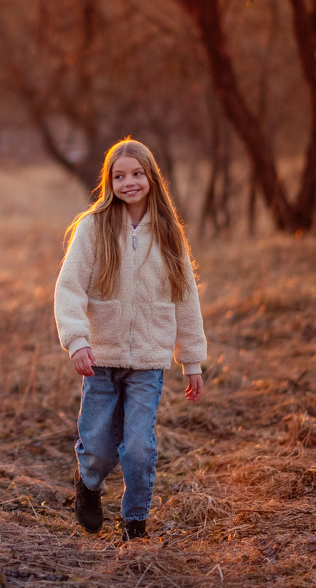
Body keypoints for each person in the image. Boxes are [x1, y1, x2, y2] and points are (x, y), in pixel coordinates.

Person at [53, 138, 207, 541]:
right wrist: (77, 340)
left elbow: (185, 298)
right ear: (109, 182)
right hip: (100, 358)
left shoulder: (169, 233)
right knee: (99, 449)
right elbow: (69, 288)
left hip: (148, 364)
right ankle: (88, 484)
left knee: (138, 449)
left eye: (137, 173)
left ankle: (135, 523)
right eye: (119, 175)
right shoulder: (93, 227)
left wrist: (191, 360)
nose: (129, 182)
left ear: (151, 177)